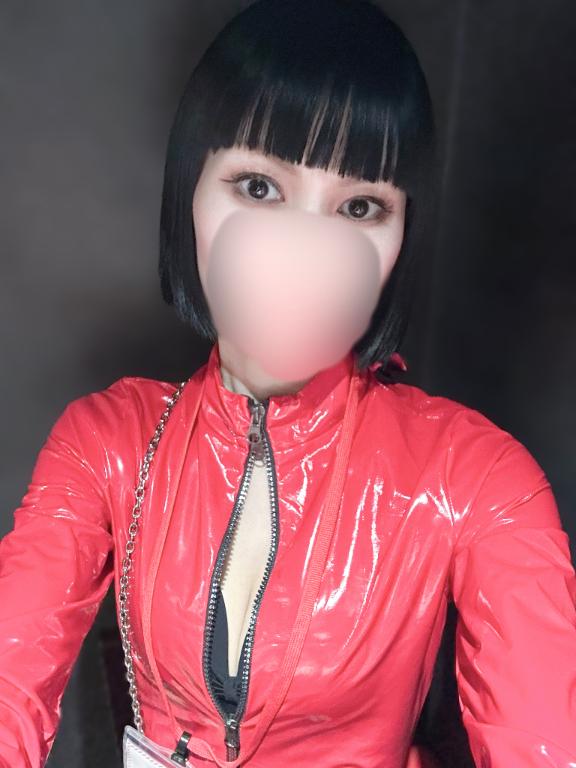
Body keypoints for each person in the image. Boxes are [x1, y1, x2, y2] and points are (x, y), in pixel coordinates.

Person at [1, 1, 575, 767]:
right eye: (259, 187)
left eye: (360, 206)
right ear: (190, 193)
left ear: (401, 235)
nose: (305, 253)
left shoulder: (476, 480)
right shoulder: (105, 441)